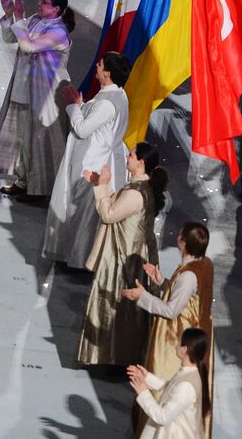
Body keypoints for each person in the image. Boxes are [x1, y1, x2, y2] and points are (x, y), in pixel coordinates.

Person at [77, 143, 166, 367]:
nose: (127, 157)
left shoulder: (137, 193)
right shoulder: (139, 186)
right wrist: (101, 186)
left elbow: (109, 214)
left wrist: (103, 185)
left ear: (141, 163)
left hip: (124, 257)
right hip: (128, 252)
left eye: (131, 155)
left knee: (119, 307)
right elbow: (116, 206)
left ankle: (118, 356)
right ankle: (116, 355)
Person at [0, 0, 74, 201]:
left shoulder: (59, 32)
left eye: (44, 2)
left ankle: (42, 189)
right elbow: (9, 38)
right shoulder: (34, 19)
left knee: (42, 143)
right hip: (25, 87)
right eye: (40, 0)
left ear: (57, 9)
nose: (39, 4)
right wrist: (9, 15)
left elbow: (29, 45)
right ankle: (24, 182)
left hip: (47, 96)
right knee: (25, 139)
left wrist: (19, 17)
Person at [43, 52, 131, 269]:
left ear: (108, 73)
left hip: (92, 159)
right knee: (83, 211)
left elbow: (83, 129)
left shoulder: (108, 103)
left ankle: (79, 259)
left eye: (100, 65)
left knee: (82, 211)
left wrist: (73, 105)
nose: (97, 67)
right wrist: (82, 106)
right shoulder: (115, 94)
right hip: (97, 155)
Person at [123, 222, 215, 385]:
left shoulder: (188, 275)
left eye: (180, 235)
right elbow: (189, 296)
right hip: (198, 328)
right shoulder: (205, 264)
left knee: (167, 381)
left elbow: (171, 310)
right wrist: (162, 282)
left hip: (178, 334)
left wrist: (142, 296)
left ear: (184, 242)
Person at [127, 326, 210, 439]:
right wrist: (146, 377)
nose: (176, 344)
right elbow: (170, 387)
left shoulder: (187, 385)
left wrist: (143, 393)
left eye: (179, 341)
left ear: (184, 349)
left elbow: (163, 417)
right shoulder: (188, 373)